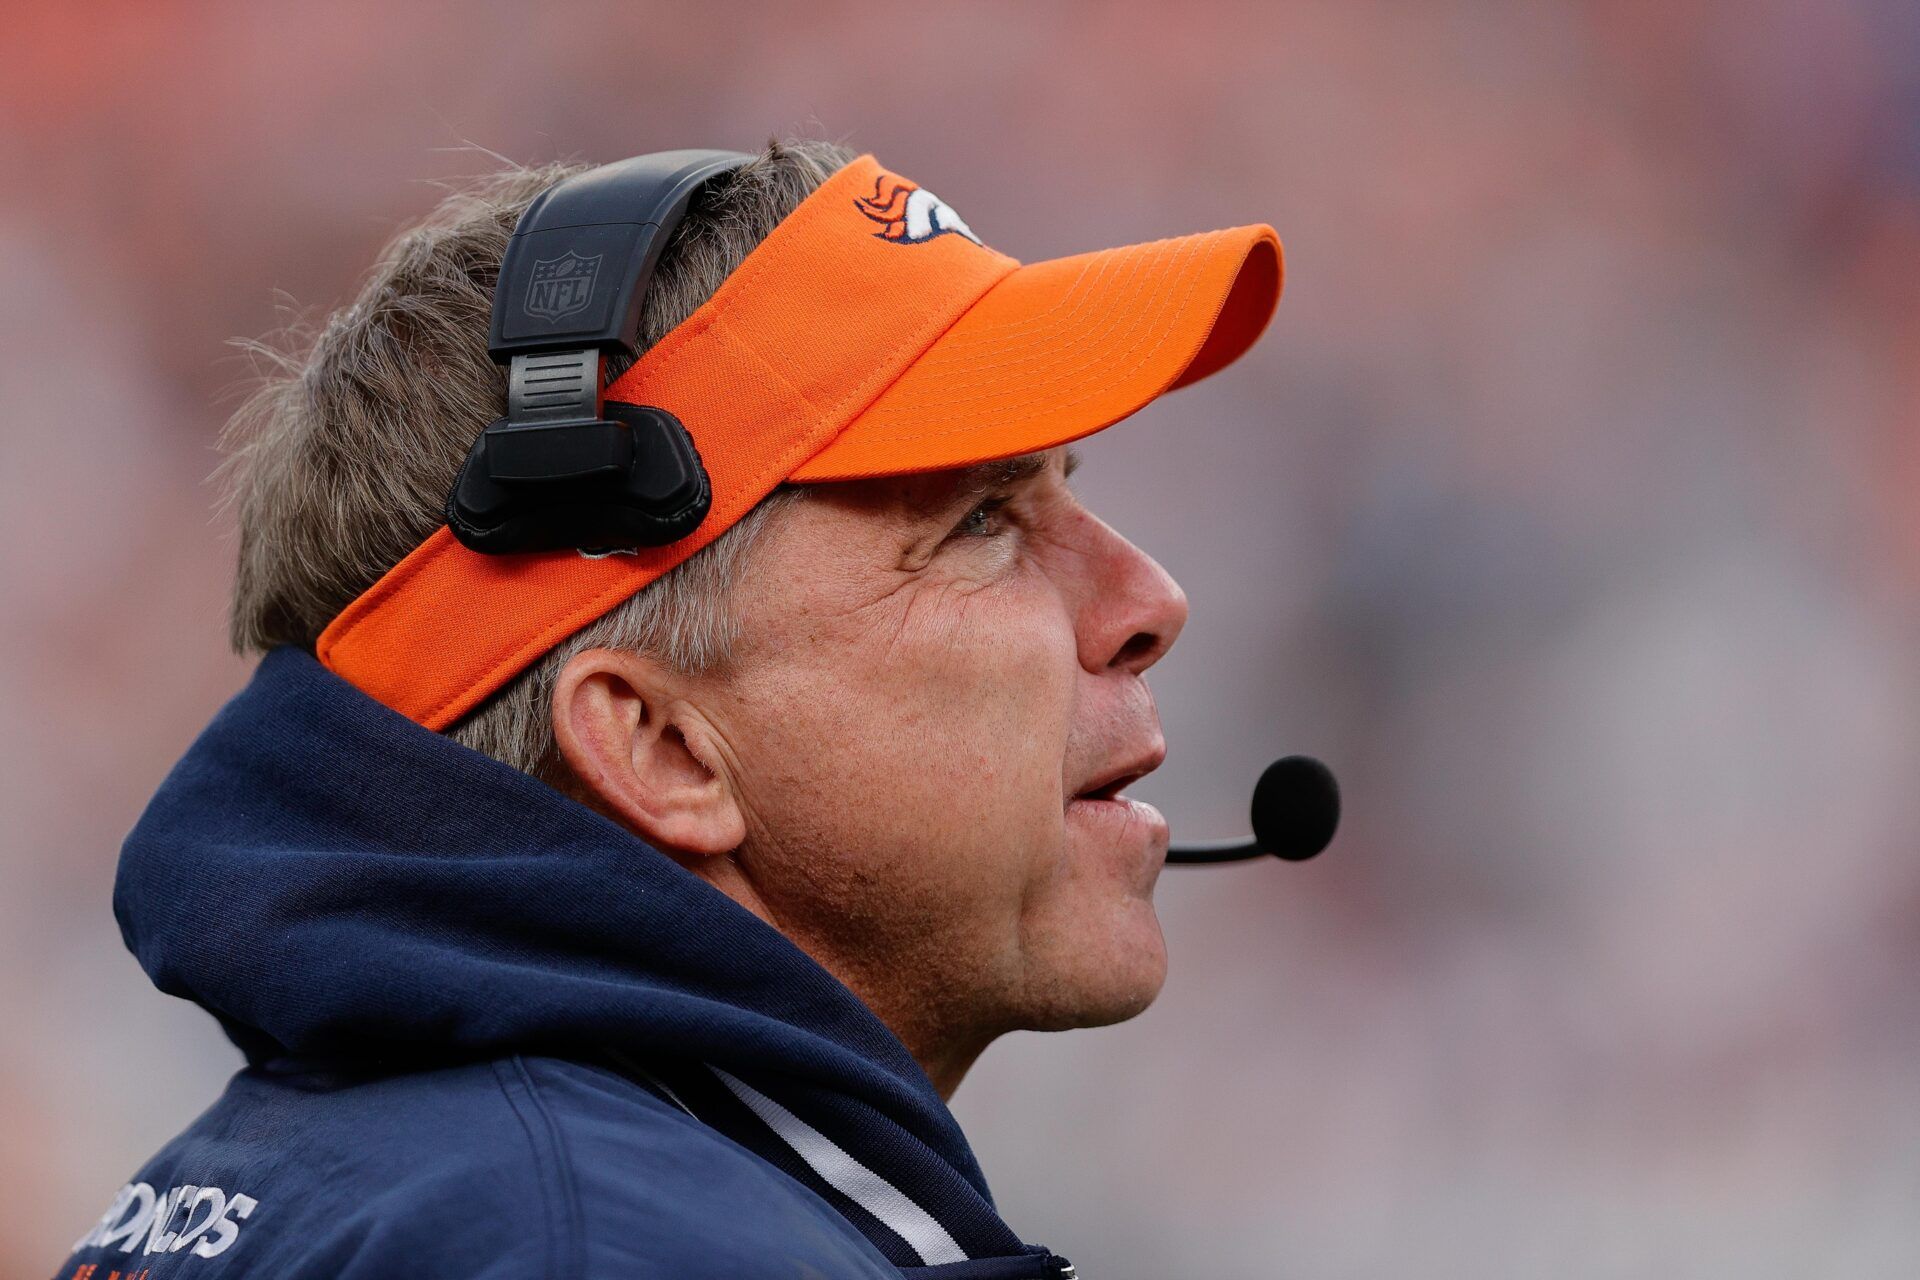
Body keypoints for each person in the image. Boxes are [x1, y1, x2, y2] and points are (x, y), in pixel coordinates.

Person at [62, 138, 1283, 1279]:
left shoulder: (445, 1186)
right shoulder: (601, 1240)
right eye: (978, 522)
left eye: (1069, 488)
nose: (1150, 598)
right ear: (660, 746)